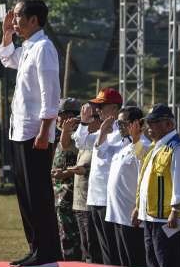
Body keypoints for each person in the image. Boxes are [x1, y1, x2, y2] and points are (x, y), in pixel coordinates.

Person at [0, 0, 62, 267]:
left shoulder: (44, 47)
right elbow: (7, 58)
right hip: (20, 130)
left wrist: (46, 131)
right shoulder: (28, 47)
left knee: (39, 195)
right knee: (25, 194)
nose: (15, 21)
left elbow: (51, 93)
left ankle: (47, 252)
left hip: (36, 132)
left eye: (19, 17)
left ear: (34, 19)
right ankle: (35, 248)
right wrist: (6, 33)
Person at [131, 104, 180, 267]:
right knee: (153, 262)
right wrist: (139, 207)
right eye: (148, 122)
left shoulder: (177, 148)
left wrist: (175, 210)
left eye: (154, 122)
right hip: (151, 216)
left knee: (168, 262)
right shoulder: (155, 147)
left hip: (167, 219)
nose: (148, 126)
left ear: (169, 125)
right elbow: (143, 173)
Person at [73, 87, 128, 266]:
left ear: (114, 108)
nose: (98, 110)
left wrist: (103, 133)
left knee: (112, 247)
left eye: (102, 106)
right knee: (97, 247)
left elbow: (104, 154)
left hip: (110, 199)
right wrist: (83, 122)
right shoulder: (101, 131)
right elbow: (80, 142)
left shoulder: (123, 136)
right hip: (94, 197)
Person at [97, 106, 150, 267]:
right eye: (118, 124)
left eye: (122, 123)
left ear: (135, 123)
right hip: (117, 214)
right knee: (123, 261)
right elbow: (100, 152)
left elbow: (146, 177)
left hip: (132, 215)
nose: (119, 127)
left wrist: (136, 138)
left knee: (135, 260)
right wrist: (103, 132)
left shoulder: (144, 145)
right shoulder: (125, 146)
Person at [63, 106, 103, 264]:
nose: (84, 123)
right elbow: (67, 144)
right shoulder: (86, 141)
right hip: (78, 202)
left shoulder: (99, 141)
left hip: (90, 202)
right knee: (85, 245)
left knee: (92, 246)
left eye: (90, 119)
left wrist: (82, 170)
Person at [51, 98, 82, 261]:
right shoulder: (63, 132)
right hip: (59, 194)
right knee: (62, 235)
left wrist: (65, 173)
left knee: (70, 237)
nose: (58, 119)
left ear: (71, 116)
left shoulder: (79, 135)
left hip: (70, 196)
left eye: (61, 115)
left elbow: (82, 163)